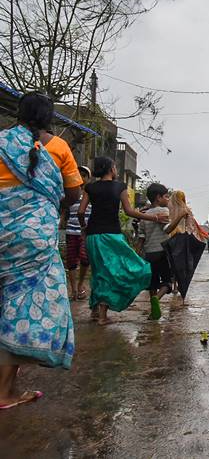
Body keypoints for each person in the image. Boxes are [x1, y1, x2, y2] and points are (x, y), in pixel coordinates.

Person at [0, 92, 81, 409]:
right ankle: (5, 392)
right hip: (33, 239)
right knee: (19, 307)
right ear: (50, 117)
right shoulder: (59, 147)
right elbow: (74, 195)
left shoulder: (3, 141)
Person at [78, 157, 168, 325]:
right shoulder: (119, 186)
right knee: (119, 271)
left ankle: (95, 311)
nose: (116, 168)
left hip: (92, 236)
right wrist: (154, 217)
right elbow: (129, 211)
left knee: (98, 271)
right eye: (114, 166)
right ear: (111, 169)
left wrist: (84, 228)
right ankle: (103, 316)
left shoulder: (90, 187)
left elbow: (81, 212)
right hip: (111, 235)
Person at [136, 183, 188, 320]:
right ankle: (156, 300)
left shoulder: (144, 215)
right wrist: (180, 215)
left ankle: (154, 311)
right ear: (158, 198)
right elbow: (168, 229)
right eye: (166, 197)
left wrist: (137, 254)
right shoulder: (163, 212)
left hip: (149, 254)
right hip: (162, 252)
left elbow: (141, 238)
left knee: (152, 283)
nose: (168, 200)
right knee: (167, 282)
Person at [164, 190, 208, 299]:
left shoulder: (169, 208)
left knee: (172, 262)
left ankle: (174, 285)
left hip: (171, 238)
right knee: (181, 263)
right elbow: (191, 225)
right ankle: (179, 285)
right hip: (182, 238)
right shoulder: (186, 210)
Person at [63, 165, 92, 300]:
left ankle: (80, 285)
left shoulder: (91, 193)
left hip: (85, 231)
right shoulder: (71, 192)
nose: (81, 177)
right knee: (71, 261)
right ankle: (74, 289)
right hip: (71, 230)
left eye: (84, 175)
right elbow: (64, 210)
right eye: (78, 174)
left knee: (85, 258)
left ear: (88, 178)